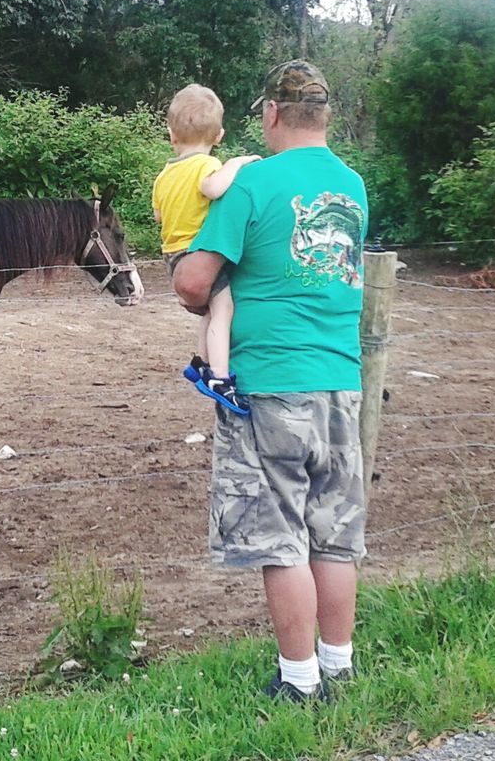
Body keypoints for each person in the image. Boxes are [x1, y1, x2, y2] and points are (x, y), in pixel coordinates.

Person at [172, 60, 369, 702]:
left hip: (269, 386)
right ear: (327, 117)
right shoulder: (353, 186)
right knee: (334, 531)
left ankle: (301, 681)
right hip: (340, 380)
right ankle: (339, 666)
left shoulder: (252, 184)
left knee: (279, 537)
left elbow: (193, 283)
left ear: (271, 114)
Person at [152, 83, 260, 414]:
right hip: (198, 253)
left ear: (171, 135)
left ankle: (200, 362)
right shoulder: (206, 166)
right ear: (219, 136)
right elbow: (213, 189)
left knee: (213, 310)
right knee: (225, 310)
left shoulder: (164, 174)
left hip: (173, 256)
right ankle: (220, 377)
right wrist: (237, 163)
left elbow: (158, 214)